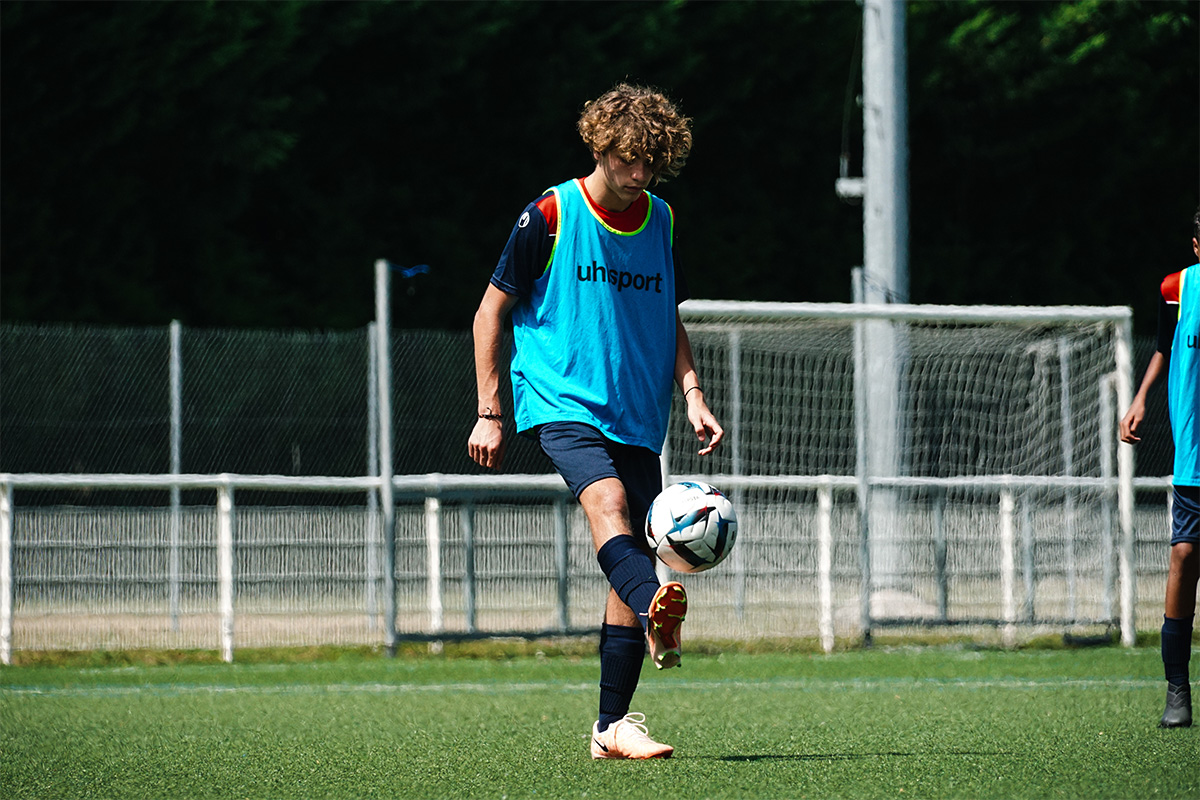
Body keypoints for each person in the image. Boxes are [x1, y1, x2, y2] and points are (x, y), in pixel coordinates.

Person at [467, 83, 723, 759]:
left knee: (630, 552)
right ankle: (655, 606)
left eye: (652, 164)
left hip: (637, 413)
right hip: (560, 399)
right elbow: (490, 312)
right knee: (607, 504)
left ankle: (612, 727)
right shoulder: (550, 214)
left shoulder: (661, 220)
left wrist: (692, 392)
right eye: (629, 160)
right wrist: (490, 412)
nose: (640, 175)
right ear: (600, 146)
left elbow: (669, 316)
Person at [1119, 206, 1200, 728]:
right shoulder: (1177, 288)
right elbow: (1164, 348)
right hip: (1195, 450)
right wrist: (1141, 397)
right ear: (1196, 246)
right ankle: (1177, 688)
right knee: (1184, 556)